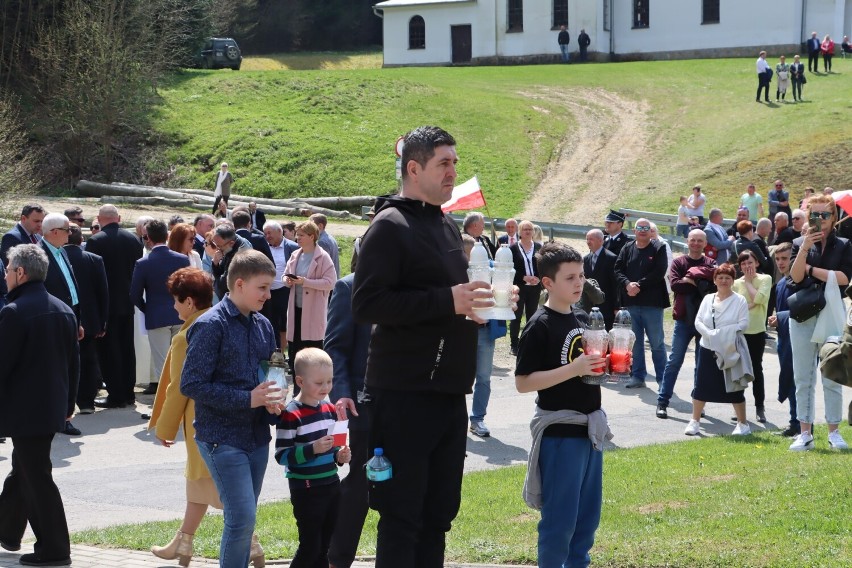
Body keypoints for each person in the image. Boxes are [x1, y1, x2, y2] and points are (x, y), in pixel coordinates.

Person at [351, 126, 506, 567]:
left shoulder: (444, 223)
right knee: (403, 516)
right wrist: (448, 300)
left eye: (455, 162)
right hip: (403, 394)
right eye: (444, 163)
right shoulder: (389, 224)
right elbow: (366, 303)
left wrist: (478, 305)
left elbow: (446, 301)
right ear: (413, 168)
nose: (452, 172)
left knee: (438, 514)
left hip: (448, 393)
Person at [148, 268, 265, 567]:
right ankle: (185, 542)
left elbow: (179, 388)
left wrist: (165, 427)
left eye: (175, 300)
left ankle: (247, 543)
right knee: (204, 486)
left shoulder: (192, 331)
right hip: (222, 423)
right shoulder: (217, 321)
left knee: (219, 490)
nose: (173, 306)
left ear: (188, 301)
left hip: (204, 421)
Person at [180, 250, 280, 567]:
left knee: (245, 520)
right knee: (241, 518)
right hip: (221, 438)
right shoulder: (211, 325)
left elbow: (271, 371)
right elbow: (191, 384)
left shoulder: (263, 325)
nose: (268, 295)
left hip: (257, 436)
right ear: (239, 284)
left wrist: (277, 395)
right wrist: (248, 398)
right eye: (262, 287)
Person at [514, 242, 611, 568]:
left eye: (581, 275)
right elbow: (523, 382)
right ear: (548, 283)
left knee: (586, 521)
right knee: (560, 523)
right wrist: (575, 368)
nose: (578, 283)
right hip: (560, 434)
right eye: (570, 277)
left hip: (589, 431)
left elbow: (589, 369)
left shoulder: (583, 317)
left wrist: (609, 364)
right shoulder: (539, 325)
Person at [0, 244, 78, 567]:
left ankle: (55, 549)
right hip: (51, 407)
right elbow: (74, 363)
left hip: (24, 410)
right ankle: (7, 529)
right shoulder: (63, 308)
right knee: (24, 470)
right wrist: (70, 402)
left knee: (36, 478)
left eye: (7, 270)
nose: (4, 276)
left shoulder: (14, 312)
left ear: (20, 273)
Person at [275, 348, 351, 568]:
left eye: (329, 381)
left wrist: (340, 456)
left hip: (331, 483)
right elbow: (282, 456)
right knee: (310, 546)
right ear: (299, 381)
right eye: (319, 383)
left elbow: (332, 449)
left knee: (325, 546)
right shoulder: (291, 413)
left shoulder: (329, 409)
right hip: (306, 488)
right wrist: (312, 449)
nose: (325, 388)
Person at [787, 194, 851, 451]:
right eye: (815, 214)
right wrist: (804, 248)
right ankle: (805, 432)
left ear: (833, 218)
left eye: (825, 215)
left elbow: (845, 278)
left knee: (832, 373)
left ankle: (834, 431)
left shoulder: (845, 245)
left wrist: (813, 271)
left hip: (831, 313)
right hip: (803, 314)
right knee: (803, 376)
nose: (820, 220)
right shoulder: (799, 243)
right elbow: (794, 275)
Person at [326, 268, 372, 568]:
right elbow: (335, 348)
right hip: (358, 405)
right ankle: (336, 559)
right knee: (358, 484)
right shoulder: (348, 287)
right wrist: (341, 393)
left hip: (402, 405)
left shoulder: (409, 287)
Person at [85, 205, 143, 409]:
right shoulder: (134, 239)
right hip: (128, 301)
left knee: (109, 350)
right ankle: (128, 393)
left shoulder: (95, 241)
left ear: (99, 219)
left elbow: (92, 276)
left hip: (107, 303)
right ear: (118, 218)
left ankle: (116, 395)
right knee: (127, 348)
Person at [684, 263, 752, 436]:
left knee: (735, 387)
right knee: (701, 386)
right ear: (714, 280)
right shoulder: (708, 299)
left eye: (727, 278)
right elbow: (698, 321)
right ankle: (695, 421)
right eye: (720, 277)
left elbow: (743, 324)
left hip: (730, 349)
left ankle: (742, 424)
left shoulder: (740, 300)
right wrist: (709, 334)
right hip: (707, 348)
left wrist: (720, 334)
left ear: (732, 280)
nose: (723, 281)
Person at [656, 230, 716, 419]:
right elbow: (675, 285)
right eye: (693, 240)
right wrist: (699, 281)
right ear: (687, 242)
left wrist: (692, 276)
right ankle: (662, 402)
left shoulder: (710, 263)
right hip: (683, 319)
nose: (696, 243)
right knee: (674, 361)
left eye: (700, 241)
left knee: (701, 364)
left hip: (705, 321)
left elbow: (716, 283)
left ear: (705, 243)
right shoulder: (678, 262)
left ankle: (698, 404)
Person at [131, 219, 191, 395]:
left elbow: (134, 294)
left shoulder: (143, 263)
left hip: (156, 317)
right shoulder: (182, 259)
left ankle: (163, 408)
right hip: (180, 315)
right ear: (167, 236)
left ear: (147, 237)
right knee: (180, 362)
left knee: (162, 365)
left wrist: (147, 308)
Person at [613, 218, 670, 389]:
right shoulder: (627, 247)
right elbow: (617, 269)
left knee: (657, 343)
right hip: (631, 303)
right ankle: (638, 376)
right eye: (640, 228)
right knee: (635, 342)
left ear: (651, 231)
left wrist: (639, 285)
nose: (643, 230)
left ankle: (663, 380)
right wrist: (627, 284)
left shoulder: (659, 247)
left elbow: (659, 272)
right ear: (635, 231)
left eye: (646, 228)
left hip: (652, 304)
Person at [64, 224, 109, 415]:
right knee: (89, 361)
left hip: (64, 318)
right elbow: (103, 292)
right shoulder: (94, 260)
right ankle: (87, 402)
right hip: (90, 320)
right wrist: (102, 321)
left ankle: (67, 403)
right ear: (81, 239)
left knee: (65, 362)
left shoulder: (57, 259)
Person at [283, 221, 336, 373]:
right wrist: (286, 280)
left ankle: (313, 384)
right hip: (295, 310)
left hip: (313, 312)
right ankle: (296, 386)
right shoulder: (295, 254)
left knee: (312, 350)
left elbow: (330, 283)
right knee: (295, 351)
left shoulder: (323, 257)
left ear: (312, 236)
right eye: (297, 235)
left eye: (301, 235)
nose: (297, 238)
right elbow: (285, 275)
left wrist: (305, 282)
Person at [732, 250, 772, 423]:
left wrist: (749, 283)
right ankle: (738, 407)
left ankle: (759, 407)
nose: (747, 266)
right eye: (743, 264)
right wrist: (750, 304)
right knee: (738, 370)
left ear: (756, 262)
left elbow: (760, 299)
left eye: (750, 262)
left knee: (756, 369)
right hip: (739, 332)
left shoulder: (765, 279)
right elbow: (734, 306)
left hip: (756, 331)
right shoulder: (735, 283)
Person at [767, 242, 799, 437]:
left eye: (785, 258)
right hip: (783, 339)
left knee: (798, 382)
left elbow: (804, 310)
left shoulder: (801, 282)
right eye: (777, 259)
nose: (780, 262)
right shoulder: (779, 284)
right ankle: (794, 421)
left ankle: (801, 423)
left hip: (798, 340)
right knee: (788, 380)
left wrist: (781, 316)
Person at [263, 221, 299, 349]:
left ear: (279, 232)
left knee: (286, 324)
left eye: (269, 233)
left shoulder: (293, 247)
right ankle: (274, 353)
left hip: (286, 291)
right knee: (271, 324)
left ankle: (283, 353)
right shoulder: (264, 247)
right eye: (265, 233)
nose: (267, 236)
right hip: (268, 292)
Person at [509, 220, 542, 355]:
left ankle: (529, 342)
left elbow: (543, 265)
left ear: (533, 232)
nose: (528, 231)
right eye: (525, 229)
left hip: (534, 288)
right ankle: (514, 344)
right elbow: (511, 269)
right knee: (516, 316)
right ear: (520, 232)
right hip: (519, 287)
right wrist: (524, 277)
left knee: (532, 315)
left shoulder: (539, 247)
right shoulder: (513, 249)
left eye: (530, 229)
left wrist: (538, 277)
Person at [583, 229, 618, 331]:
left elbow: (615, 284)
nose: (588, 242)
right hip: (588, 306)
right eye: (587, 239)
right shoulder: (586, 259)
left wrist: (616, 306)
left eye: (591, 239)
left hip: (606, 306)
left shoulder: (611, 258)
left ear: (600, 241)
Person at [210, 222, 252, 300]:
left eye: (219, 246)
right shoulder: (231, 242)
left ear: (231, 243)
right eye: (215, 244)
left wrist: (216, 279)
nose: (217, 249)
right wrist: (215, 263)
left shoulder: (240, 256)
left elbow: (223, 286)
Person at [309, 213, 340, 278]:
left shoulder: (322, 242)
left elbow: (322, 265)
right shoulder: (330, 237)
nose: (309, 228)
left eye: (311, 225)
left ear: (320, 226)